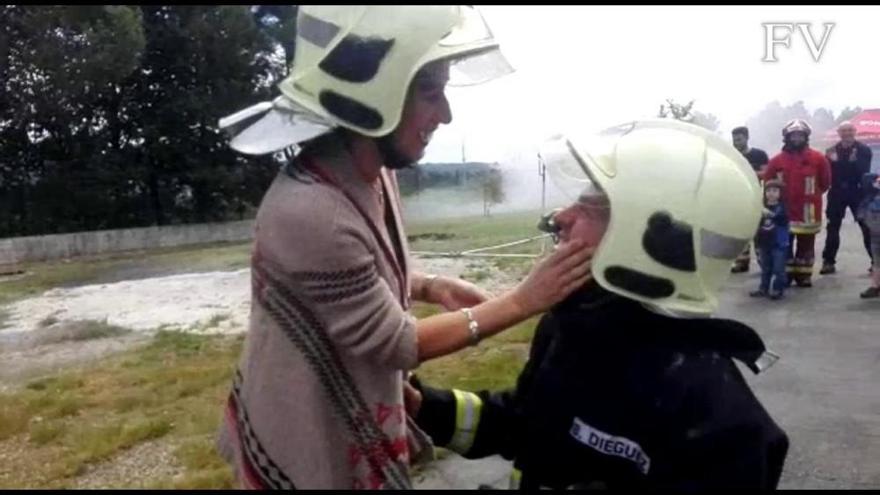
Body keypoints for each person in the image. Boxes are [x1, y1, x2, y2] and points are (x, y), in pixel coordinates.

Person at [212, 6, 593, 489]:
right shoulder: (311, 211)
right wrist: (522, 301)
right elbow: (396, 343)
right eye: (431, 91)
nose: (447, 114)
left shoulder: (374, 173)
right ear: (375, 94)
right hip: (304, 419)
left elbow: (351, 277)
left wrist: (429, 285)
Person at [407, 120, 789, 490]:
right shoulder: (576, 324)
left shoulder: (719, 420)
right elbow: (527, 424)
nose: (560, 218)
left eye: (589, 209)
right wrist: (425, 408)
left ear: (649, 238)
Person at [762, 119, 831, 288]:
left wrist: (810, 196)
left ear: (806, 137)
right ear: (787, 137)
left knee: (806, 244)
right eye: (794, 135)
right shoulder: (776, 161)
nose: (797, 138)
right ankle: (784, 275)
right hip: (783, 210)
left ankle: (803, 275)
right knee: (782, 244)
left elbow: (825, 182)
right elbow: (768, 182)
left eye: (800, 135)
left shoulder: (818, 158)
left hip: (808, 210)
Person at [820, 121, 874, 275]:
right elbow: (827, 174)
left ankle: (876, 262)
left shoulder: (863, 150)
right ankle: (828, 262)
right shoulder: (831, 151)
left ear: (854, 131)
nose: (847, 133)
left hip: (857, 191)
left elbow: (863, 171)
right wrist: (842, 162)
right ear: (839, 133)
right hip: (836, 192)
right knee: (832, 227)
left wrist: (840, 162)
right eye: (844, 131)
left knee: (867, 226)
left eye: (850, 130)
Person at [731, 126, 770, 273]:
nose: (736, 143)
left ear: (747, 138)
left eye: (739, 139)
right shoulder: (731, 155)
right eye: (734, 140)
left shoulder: (759, 155)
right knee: (740, 231)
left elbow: (767, 173)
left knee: (760, 232)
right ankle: (742, 262)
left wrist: (748, 172)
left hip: (757, 198)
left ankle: (764, 262)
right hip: (737, 200)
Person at [749, 180, 790, 300]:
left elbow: (783, 219)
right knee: (765, 267)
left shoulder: (783, 207)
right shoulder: (761, 208)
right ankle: (763, 288)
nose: (771, 193)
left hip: (779, 243)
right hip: (764, 242)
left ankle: (778, 288)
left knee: (778, 268)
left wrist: (770, 214)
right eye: (768, 191)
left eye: (775, 191)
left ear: (780, 193)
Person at [857, 173, 880, 298]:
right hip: (875, 230)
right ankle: (875, 285)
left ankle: (875, 286)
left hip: (874, 228)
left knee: (877, 260)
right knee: (877, 260)